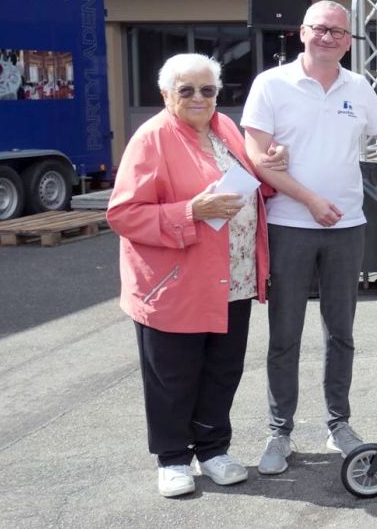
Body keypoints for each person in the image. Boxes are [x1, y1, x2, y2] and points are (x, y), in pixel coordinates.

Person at [241, 0, 377, 475]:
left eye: (339, 31)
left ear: (350, 40)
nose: (329, 37)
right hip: (290, 225)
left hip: (347, 228)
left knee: (342, 333)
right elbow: (256, 158)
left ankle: (340, 424)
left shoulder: (358, 86)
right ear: (302, 32)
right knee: (285, 334)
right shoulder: (271, 85)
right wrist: (311, 200)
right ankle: (280, 432)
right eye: (321, 28)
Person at [108, 53, 281, 497]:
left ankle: (213, 449)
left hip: (235, 278)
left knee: (222, 370)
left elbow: (250, 186)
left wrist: (271, 172)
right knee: (173, 375)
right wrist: (190, 211)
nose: (199, 98)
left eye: (208, 90)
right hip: (176, 283)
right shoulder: (152, 138)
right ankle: (172, 459)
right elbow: (124, 213)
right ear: (165, 95)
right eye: (186, 91)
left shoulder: (225, 128)